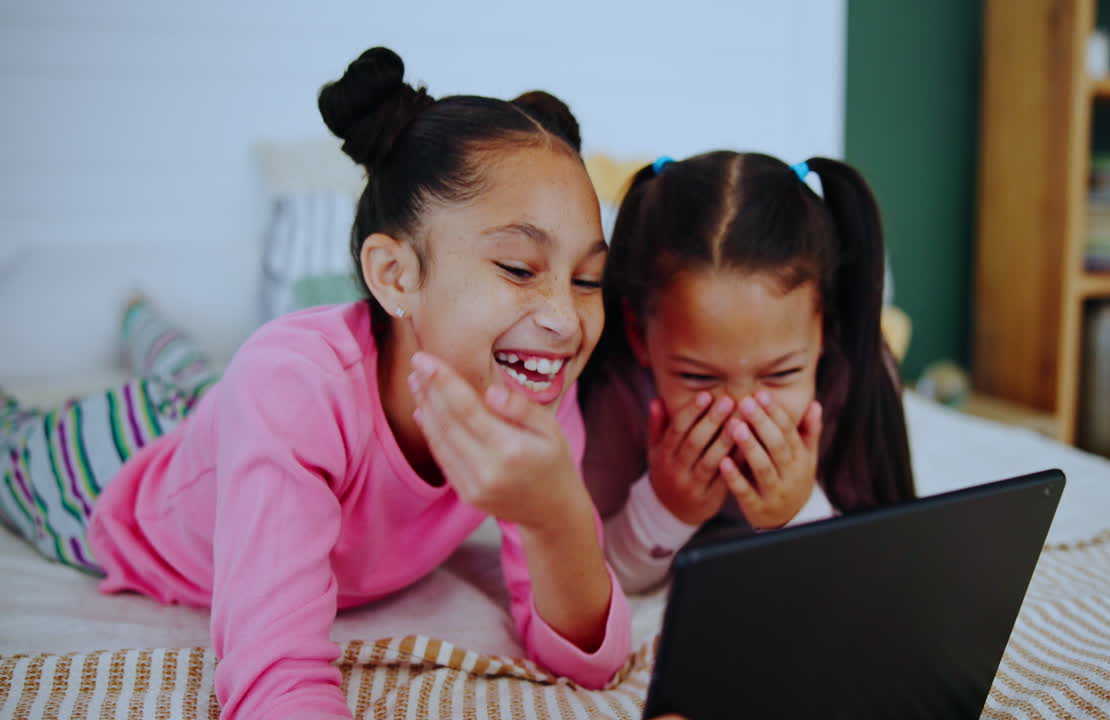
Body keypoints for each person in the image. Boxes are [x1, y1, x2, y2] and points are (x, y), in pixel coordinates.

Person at [0, 46, 629, 719]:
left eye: (588, 279)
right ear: (395, 277)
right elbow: (273, 676)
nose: (565, 319)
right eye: (519, 268)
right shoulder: (292, 387)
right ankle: (136, 320)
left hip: (228, 411)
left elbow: (584, 658)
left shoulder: (537, 394)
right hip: (118, 476)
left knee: (201, 383)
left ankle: (146, 324)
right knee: (31, 431)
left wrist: (555, 511)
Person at [580, 151, 915, 592]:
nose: (740, 408)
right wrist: (664, 508)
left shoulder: (853, 376)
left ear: (824, 334)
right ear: (640, 337)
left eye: (780, 375)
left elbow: (873, 574)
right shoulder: (617, 388)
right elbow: (594, 578)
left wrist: (797, 514)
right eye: (698, 377)